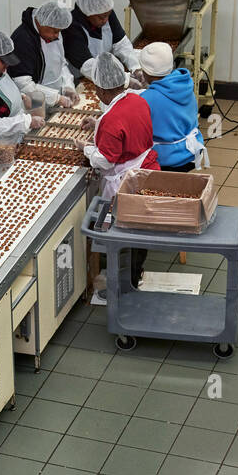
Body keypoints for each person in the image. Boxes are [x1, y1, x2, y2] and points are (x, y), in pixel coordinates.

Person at [82, 52, 159, 306]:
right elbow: (126, 131)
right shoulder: (138, 101)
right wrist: (97, 125)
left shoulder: (111, 119)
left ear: (102, 90)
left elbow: (105, 161)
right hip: (148, 172)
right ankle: (135, 276)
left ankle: (123, 290)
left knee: (121, 236)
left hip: (125, 185)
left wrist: (85, 148)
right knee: (140, 229)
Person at [135, 42, 209, 171]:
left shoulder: (147, 99)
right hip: (193, 150)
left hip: (170, 159)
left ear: (147, 73)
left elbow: (132, 129)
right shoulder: (184, 83)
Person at [8, 0, 79, 108]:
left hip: (56, 97)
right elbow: (22, 84)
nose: (57, 35)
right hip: (33, 102)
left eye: (59, 31)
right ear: (41, 22)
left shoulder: (52, 31)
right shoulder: (22, 40)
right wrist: (56, 98)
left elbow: (61, 63)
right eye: (55, 31)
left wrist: (68, 86)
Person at [63, 0, 140, 82]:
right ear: (88, 13)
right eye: (102, 17)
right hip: (81, 77)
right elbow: (87, 66)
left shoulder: (105, 13)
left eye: (108, 15)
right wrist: (124, 79)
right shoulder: (71, 27)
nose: (106, 20)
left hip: (107, 73)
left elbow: (121, 44)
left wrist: (135, 67)